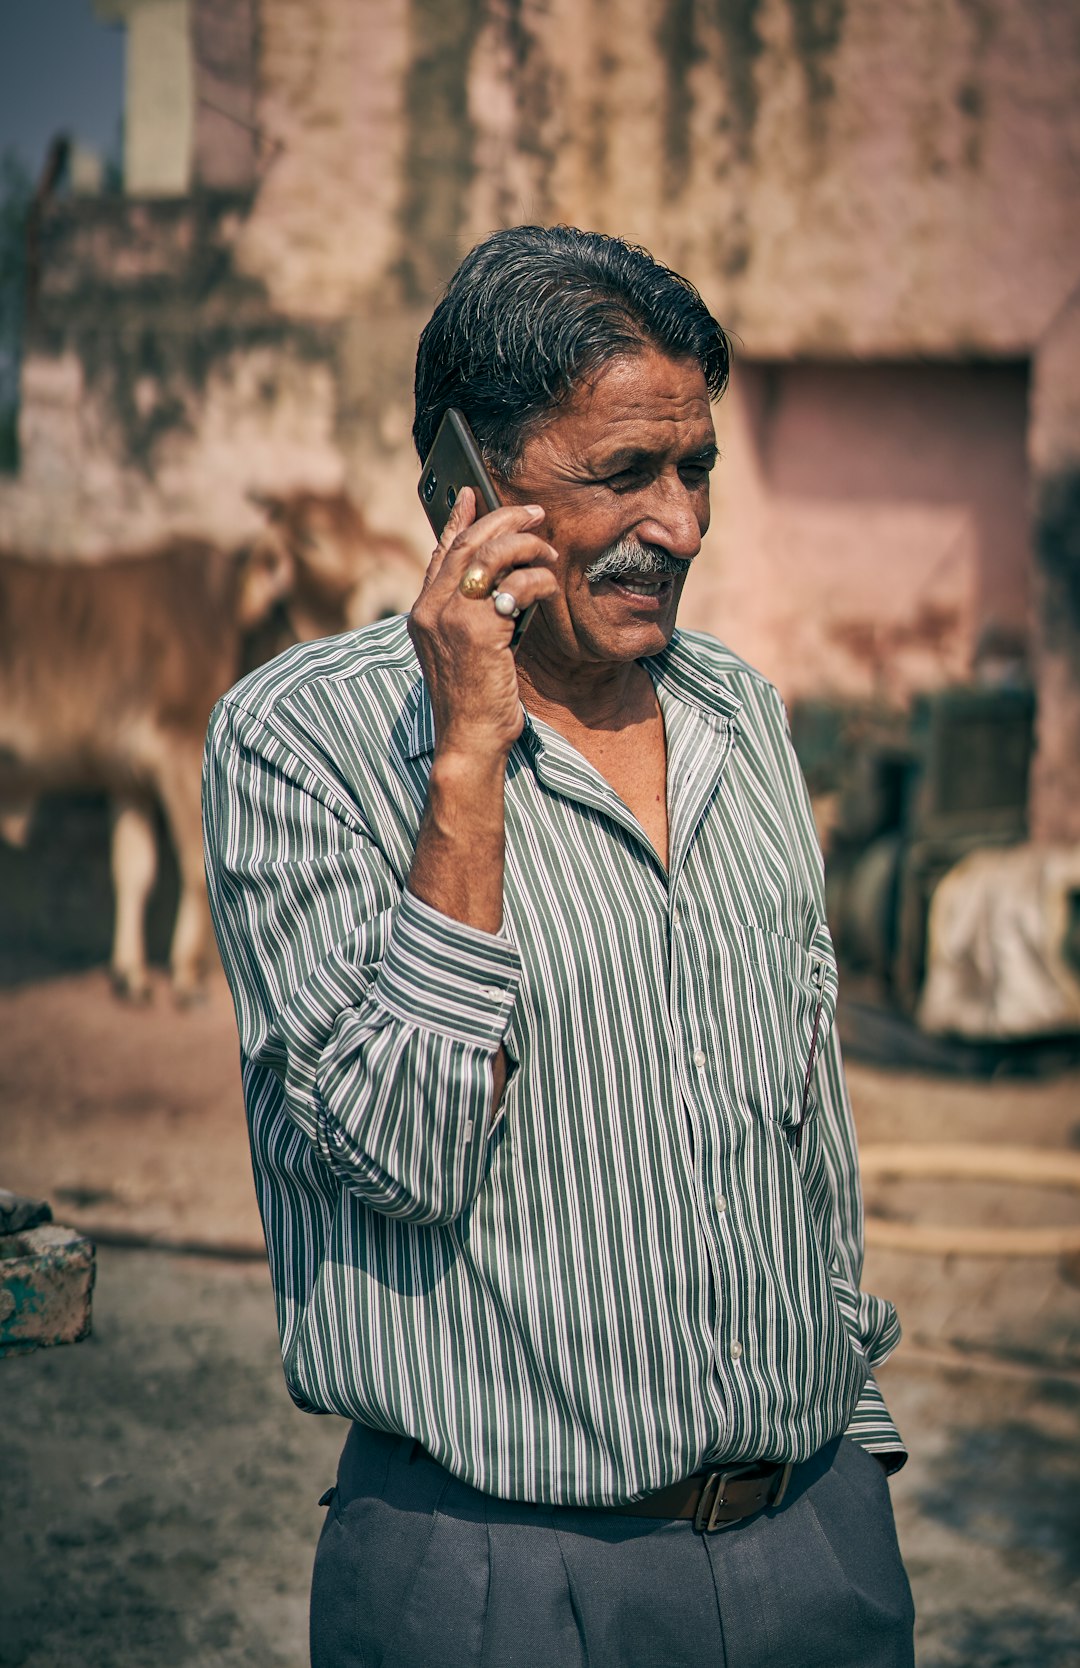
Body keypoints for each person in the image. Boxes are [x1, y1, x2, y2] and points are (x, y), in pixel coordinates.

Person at [202, 224, 915, 1668]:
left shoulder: (740, 718)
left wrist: (852, 1455)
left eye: (695, 467)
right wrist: (470, 758)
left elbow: (803, 1122)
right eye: (625, 476)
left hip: (816, 1555)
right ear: (468, 489)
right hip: (503, 1585)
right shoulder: (307, 744)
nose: (683, 526)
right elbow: (398, 1150)